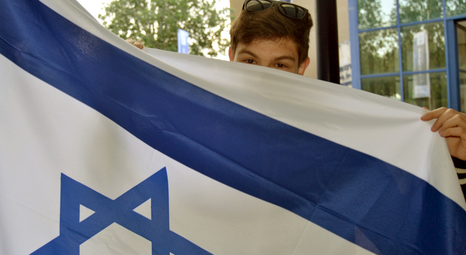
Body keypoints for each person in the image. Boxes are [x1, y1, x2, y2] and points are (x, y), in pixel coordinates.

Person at [128, 0, 466, 198]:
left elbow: (408, 219)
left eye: (279, 65)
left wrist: (456, 161)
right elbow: (117, 162)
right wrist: (115, 79)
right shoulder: (192, 119)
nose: (262, 76)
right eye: (250, 61)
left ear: (302, 66)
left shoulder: (339, 138)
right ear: (230, 56)